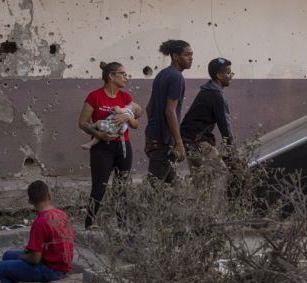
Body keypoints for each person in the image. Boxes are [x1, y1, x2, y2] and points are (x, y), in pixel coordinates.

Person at [0, 180, 74, 283]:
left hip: (52, 270)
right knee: (8, 255)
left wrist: (24, 256)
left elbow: (35, 259)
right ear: (49, 195)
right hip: (59, 263)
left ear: (30, 201)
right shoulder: (62, 214)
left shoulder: (40, 222)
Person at [78, 61, 142, 229]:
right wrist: (99, 134)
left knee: (122, 187)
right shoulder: (95, 96)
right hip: (102, 148)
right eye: (123, 74)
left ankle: (122, 225)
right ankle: (89, 223)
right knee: (99, 186)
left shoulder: (125, 97)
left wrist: (127, 118)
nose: (126, 78)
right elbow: (83, 123)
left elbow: (135, 124)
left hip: (122, 147)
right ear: (111, 76)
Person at [180, 57, 234, 196]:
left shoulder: (206, 91)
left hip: (188, 141)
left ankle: (200, 214)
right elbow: (225, 126)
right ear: (219, 75)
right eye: (228, 73)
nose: (231, 76)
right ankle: (214, 213)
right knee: (220, 172)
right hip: (199, 143)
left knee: (201, 180)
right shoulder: (216, 95)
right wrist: (231, 149)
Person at [144, 40, 193, 184]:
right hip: (164, 142)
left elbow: (149, 108)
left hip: (154, 137)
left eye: (192, 55)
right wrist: (179, 142)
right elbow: (170, 111)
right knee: (156, 187)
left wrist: (154, 128)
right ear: (175, 56)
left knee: (170, 185)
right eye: (187, 55)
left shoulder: (162, 74)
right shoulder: (177, 77)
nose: (191, 58)